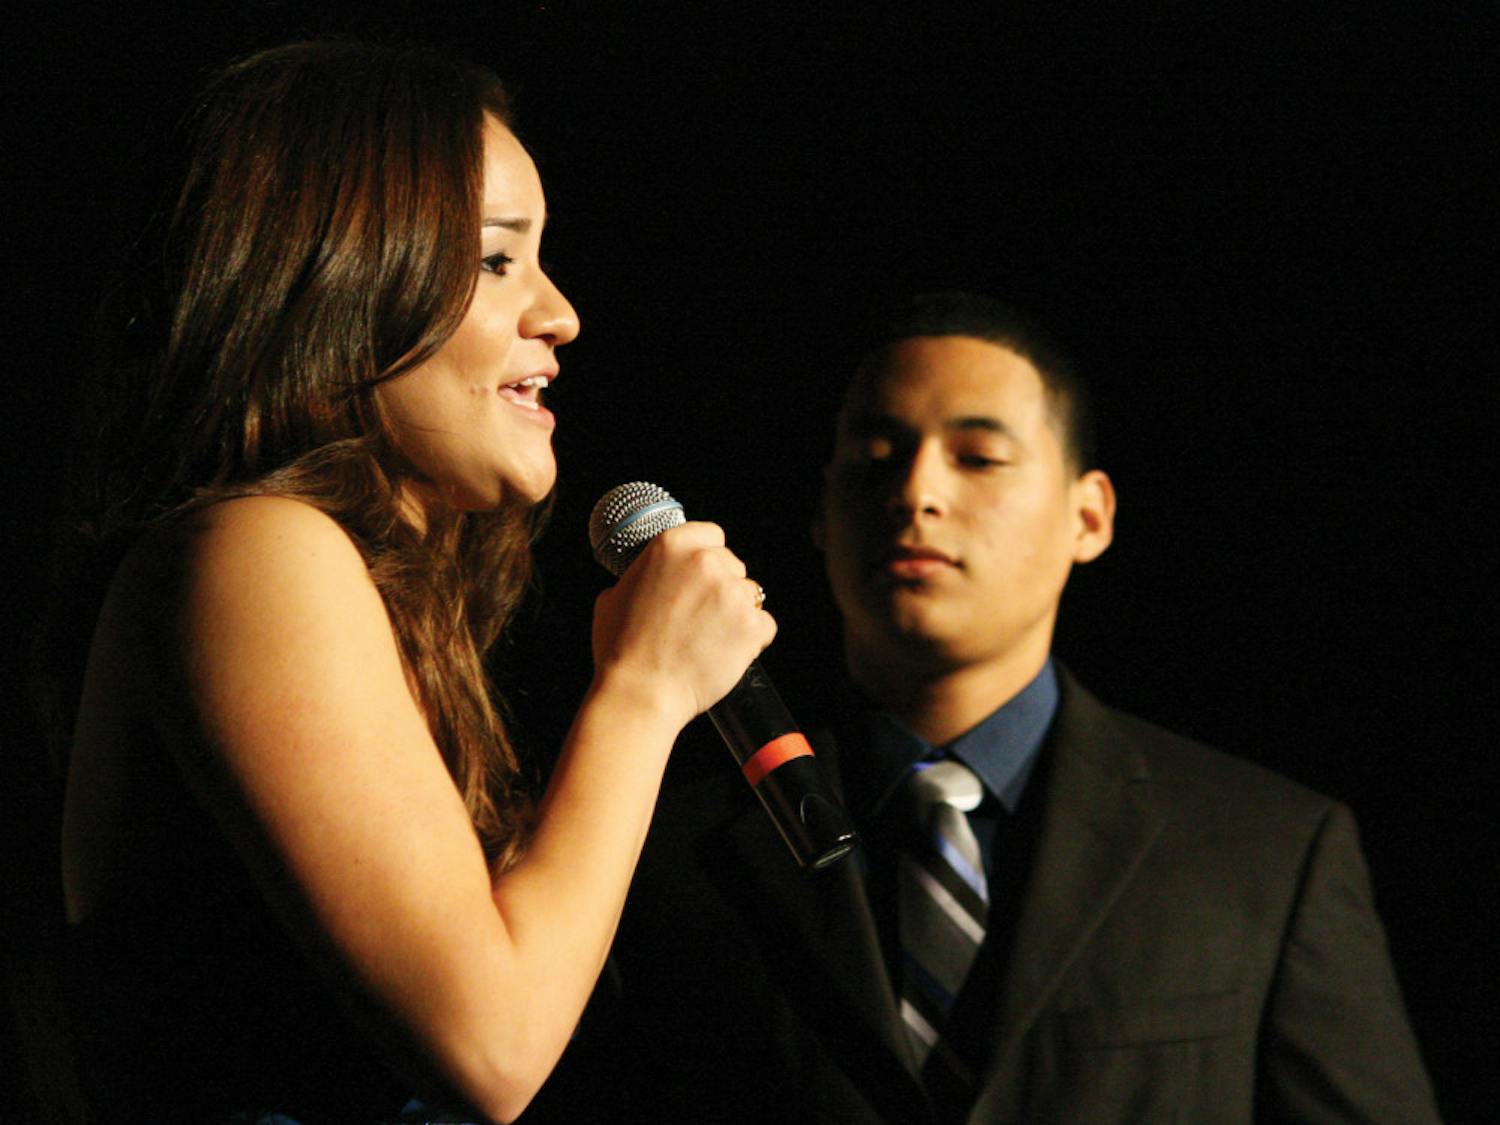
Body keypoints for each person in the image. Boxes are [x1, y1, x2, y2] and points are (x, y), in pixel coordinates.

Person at [52, 42, 774, 1124]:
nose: (560, 313)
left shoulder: (333, 575)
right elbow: (493, 1047)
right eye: (496, 262)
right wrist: (643, 695)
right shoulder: (256, 553)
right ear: (341, 273)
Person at [588, 292, 1441, 1122]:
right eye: (876, 453)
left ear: (1089, 515)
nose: (916, 492)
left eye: (979, 458)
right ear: (819, 509)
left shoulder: (1266, 849)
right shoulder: (655, 831)